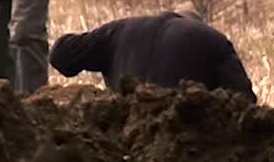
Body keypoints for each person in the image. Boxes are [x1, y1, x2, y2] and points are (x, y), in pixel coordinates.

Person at [48, 11, 258, 102]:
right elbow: (244, 101)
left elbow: (60, 55)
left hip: (124, 135)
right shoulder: (213, 40)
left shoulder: (119, 30)